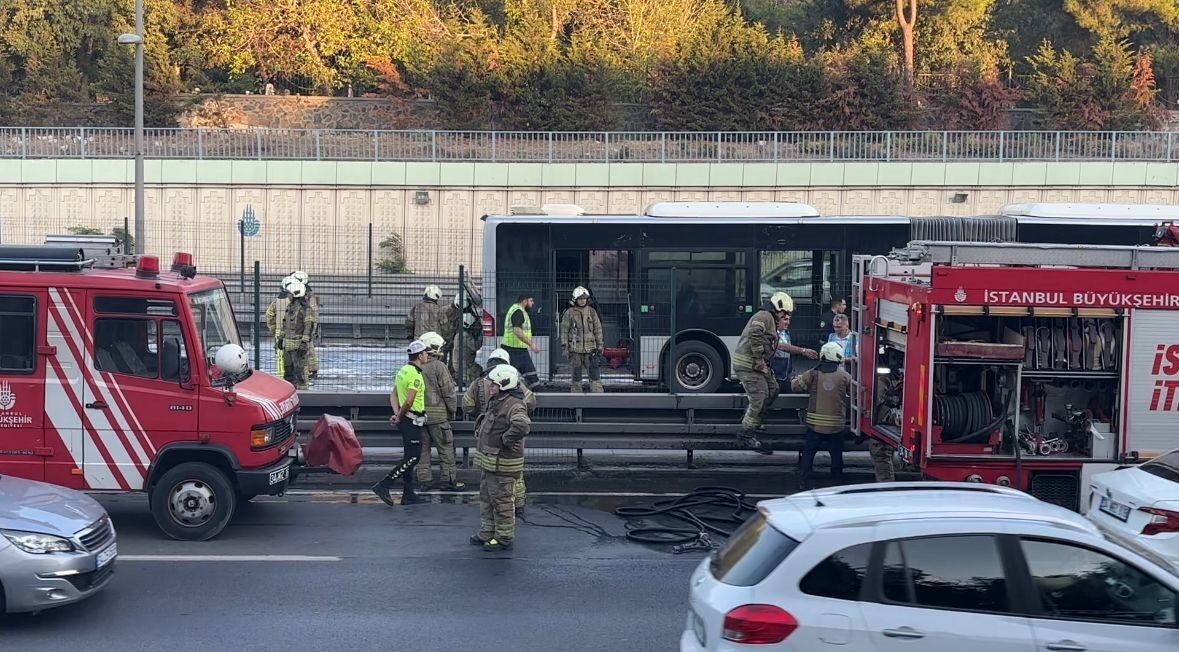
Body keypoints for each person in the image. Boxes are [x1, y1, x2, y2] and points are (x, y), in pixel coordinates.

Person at [464, 348, 536, 515]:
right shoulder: (513, 382)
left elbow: (467, 405)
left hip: (487, 435)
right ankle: (517, 505)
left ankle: (492, 507)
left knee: (489, 473)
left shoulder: (479, 382)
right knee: (514, 472)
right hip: (512, 436)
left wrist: (481, 414)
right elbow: (530, 401)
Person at [469, 364, 531, 552]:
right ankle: (488, 531)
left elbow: (522, 425)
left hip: (502, 464)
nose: (490, 387)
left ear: (504, 384)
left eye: (494, 384)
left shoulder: (513, 404)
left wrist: (506, 439)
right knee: (487, 498)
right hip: (491, 463)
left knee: (502, 501)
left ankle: (503, 537)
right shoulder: (498, 401)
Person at [371, 340, 432, 507]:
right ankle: (384, 484)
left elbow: (394, 395)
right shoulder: (416, 375)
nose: (428, 356)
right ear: (420, 355)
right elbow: (410, 401)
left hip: (405, 419)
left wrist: (396, 414)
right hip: (411, 419)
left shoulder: (402, 371)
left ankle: (408, 494)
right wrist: (399, 415)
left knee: (408, 456)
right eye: (426, 353)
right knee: (414, 457)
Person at [733, 292, 796, 453]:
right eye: (785, 313)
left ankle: (753, 418)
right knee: (759, 398)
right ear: (778, 308)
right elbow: (755, 335)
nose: (786, 316)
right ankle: (745, 435)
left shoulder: (769, 319)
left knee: (774, 389)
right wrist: (760, 359)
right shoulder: (764, 316)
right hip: (749, 365)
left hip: (757, 365)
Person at [792, 342, 853, 490]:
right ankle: (837, 481)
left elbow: (795, 386)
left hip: (814, 426)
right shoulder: (844, 376)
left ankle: (804, 480)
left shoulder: (813, 373)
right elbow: (855, 394)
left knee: (809, 453)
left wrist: (794, 378)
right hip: (836, 427)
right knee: (837, 454)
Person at [416, 332, 463, 491]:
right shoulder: (439, 367)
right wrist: (452, 411)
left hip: (419, 417)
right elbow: (449, 392)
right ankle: (448, 481)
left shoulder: (415, 367)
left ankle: (424, 481)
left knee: (423, 451)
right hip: (439, 419)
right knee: (446, 449)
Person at [560, 286, 605, 393]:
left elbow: (598, 330)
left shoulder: (592, 312)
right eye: (580, 299)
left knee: (594, 374)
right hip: (575, 350)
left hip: (591, 350)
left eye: (584, 298)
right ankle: (576, 397)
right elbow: (564, 331)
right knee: (576, 375)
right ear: (575, 300)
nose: (582, 300)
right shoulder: (569, 313)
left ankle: (598, 396)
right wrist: (565, 347)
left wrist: (600, 345)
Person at [769, 311, 817, 394]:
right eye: (785, 319)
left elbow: (788, 354)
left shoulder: (786, 334)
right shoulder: (770, 334)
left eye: (788, 319)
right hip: (774, 375)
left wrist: (793, 372)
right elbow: (780, 346)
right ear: (776, 320)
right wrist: (803, 351)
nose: (788, 322)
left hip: (786, 375)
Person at [501, 294, 540, 390]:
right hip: (516, 350)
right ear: (524, 301)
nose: (533, 303)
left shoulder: (515, 309)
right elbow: (517, 330)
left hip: (512, 348)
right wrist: (531, 344)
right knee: (533, 380)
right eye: (531, 301)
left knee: (507, 378)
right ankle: (540, 401)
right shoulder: (519, 312)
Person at [280, 280, 313, 390]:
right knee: (288, 371)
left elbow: (308, 326)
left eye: (289, 294)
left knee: (299, 371)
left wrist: (304, 342)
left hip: (298, 345)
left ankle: (303, 392)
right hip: (288, 344)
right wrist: (280, 338)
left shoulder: (305, 309)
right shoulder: (290, 307)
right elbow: (285, 325)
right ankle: (289, 390)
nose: (288, 296)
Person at [290, 271, 320, 381]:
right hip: (303, 320)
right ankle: (308, 369)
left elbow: (312, 312)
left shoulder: (308, 294)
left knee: (307, 344)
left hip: (307, 321)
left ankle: (312, 370)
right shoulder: (305, 291)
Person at [450, 291, 483, 384]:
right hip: (465, 367)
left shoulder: (459, 333)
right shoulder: (465, 336)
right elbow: (476, 346)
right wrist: (482, 335)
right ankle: (465, 380)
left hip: (459, 365)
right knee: (480, 371)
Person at [264, 276, 293, 378]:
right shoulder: (295, 301)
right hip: (293, 333)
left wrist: (274, 328)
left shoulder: (277, 301)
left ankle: (281, 376)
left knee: (280, 356)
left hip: (279, 332)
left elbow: (269, 315)